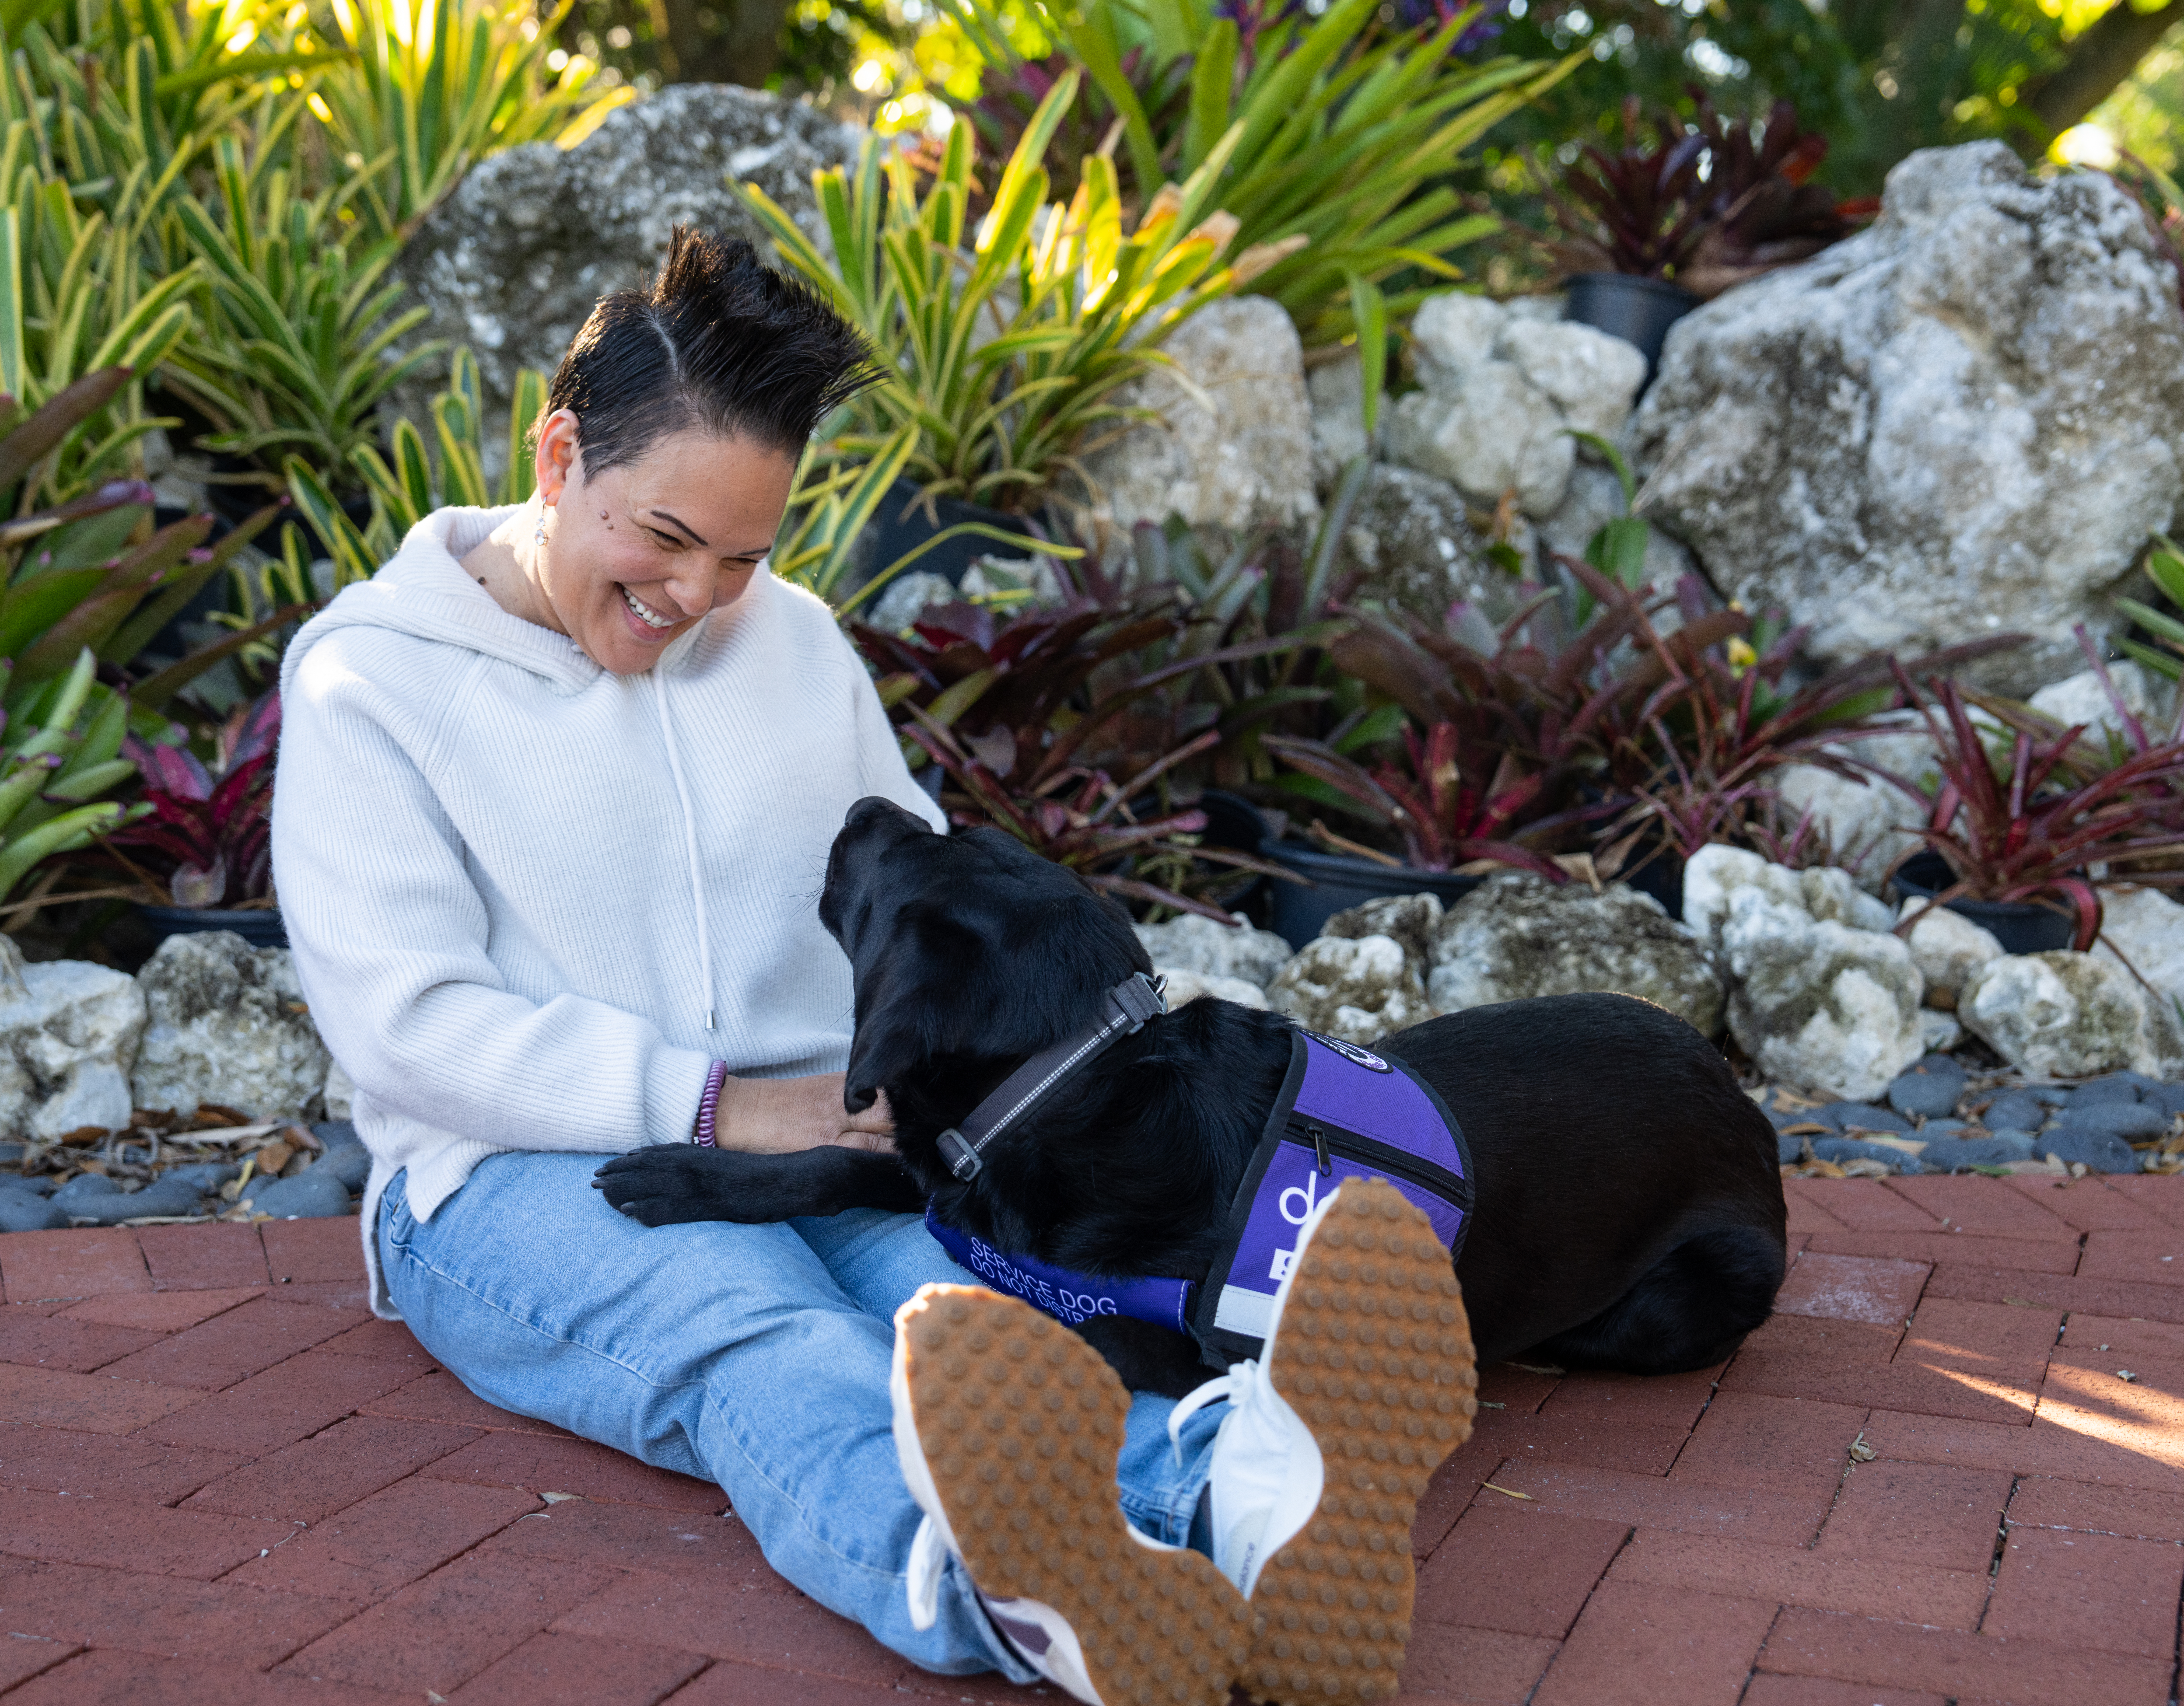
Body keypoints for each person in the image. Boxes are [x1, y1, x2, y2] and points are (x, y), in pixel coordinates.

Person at [274, 225, 1473, 1706]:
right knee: (757, 1328)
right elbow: (407, 1029)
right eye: (663, 538)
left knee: (971, 1320)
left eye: (745, 554)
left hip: (828, 1136)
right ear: (560, 453)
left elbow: (918, 884)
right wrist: (717, 1104)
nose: (702, 595)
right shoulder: (369, 680)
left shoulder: (794, 644)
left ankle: (1246, 1501)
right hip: (509, 1173)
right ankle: (1005, 1599)